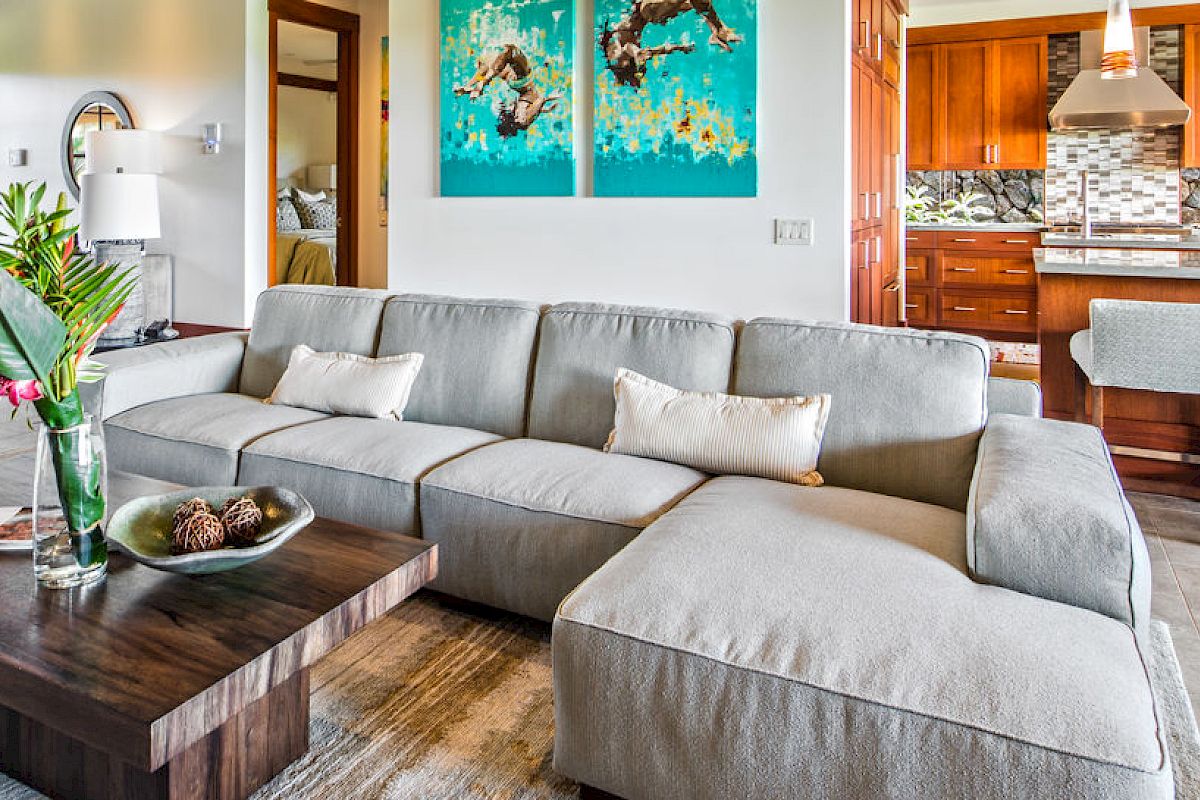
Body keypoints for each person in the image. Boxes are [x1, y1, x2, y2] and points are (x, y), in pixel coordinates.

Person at [601, 0, 744, 87]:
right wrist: (679, 48)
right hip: (648, 11)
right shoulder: (622, 53)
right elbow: (632, 49)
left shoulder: (616, 53)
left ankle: (717, 30)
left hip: (645, 10)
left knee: (694, 4)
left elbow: (631, 49)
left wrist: (678, 48)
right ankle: (718, 30)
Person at [453, 44, 563, 138]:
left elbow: (539, 101)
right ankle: (477, 85)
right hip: (520, 83)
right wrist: (547, 104)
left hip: (522, 83)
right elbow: (539, 102)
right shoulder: (522, 121)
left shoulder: (522, 122)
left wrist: (547, 102)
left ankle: (476, 85)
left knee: (501, 57)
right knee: (505, 55)